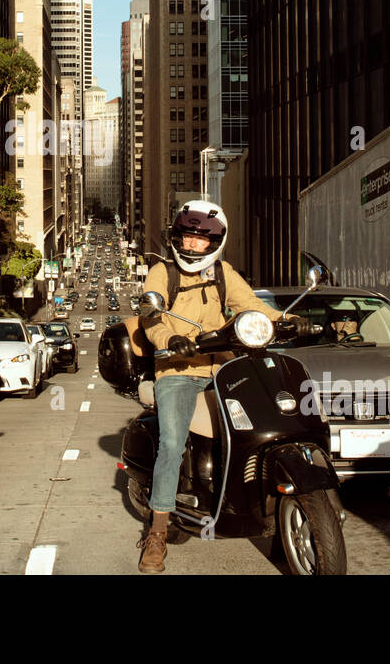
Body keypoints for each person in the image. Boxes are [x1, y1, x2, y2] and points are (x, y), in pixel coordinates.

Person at [135, 200, 297, 574]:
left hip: (223, 369)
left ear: (215, 243)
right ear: (176, 237)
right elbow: (151, 316)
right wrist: (168, 340)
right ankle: (158, 532)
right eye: (187, 237)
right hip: (176, 370)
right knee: (172, 444)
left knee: (260, 428)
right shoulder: (162, 271)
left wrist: (290, 320)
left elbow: (252, 307)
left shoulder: (224, 273)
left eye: (201, 239)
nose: (192, 245)